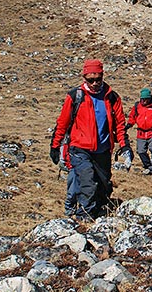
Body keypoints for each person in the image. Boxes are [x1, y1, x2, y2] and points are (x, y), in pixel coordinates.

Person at [50, 59, 132, 221]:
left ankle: (98, 212)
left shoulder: (112, 97)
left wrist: (124, 146)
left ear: (102, 76)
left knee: (103, 185)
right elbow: (62, 123)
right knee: (88, 183)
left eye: (98, 79)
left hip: (102, 150)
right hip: (80, 148)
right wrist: (55, 145)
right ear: (84, 78)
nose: (94, 83)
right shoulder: (75, 96)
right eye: (90, 80)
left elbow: (120, 125)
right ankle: (84, 217)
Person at [127, 88, 152, 178]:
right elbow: (133, 116)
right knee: (140, 151)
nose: (143, 101)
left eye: (146, 99)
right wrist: (129, 124)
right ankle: (148, 166)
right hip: (141, 132)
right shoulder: (137, 105)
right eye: (142, 99)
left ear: (149, 98)